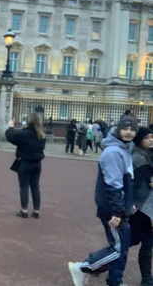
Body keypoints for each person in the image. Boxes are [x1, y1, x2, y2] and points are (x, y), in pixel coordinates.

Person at [68, 113, 138, 286]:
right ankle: (83, 267)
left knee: (120, 246)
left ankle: (114, 281)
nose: (129, 132)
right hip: (112, 207)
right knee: (118, 248)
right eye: (125, 128)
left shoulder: (123, 149)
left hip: (120, 206)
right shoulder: (114, 152)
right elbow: (113, 185)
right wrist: (118, 211)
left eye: (132, 129)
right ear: (119, 130)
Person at [5, 113, 46, 219]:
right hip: (37, 164)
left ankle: (24, 210)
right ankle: (36, 210)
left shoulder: (24, 134)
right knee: (35, 187)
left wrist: (11, 126)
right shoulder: (41, 135)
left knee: (24, 187)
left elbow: (11, 136)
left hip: (25, 163)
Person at [130, 128, 153, 286]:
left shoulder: (149, 154)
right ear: (139, 140)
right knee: (137, 241)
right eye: (147, 138)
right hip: (140, 206)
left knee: (140, 242)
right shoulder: (138, 156)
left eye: (152, 137)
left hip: (146, 205)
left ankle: (146, 278)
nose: (151, 140)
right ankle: (96, 263)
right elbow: (150, 180)